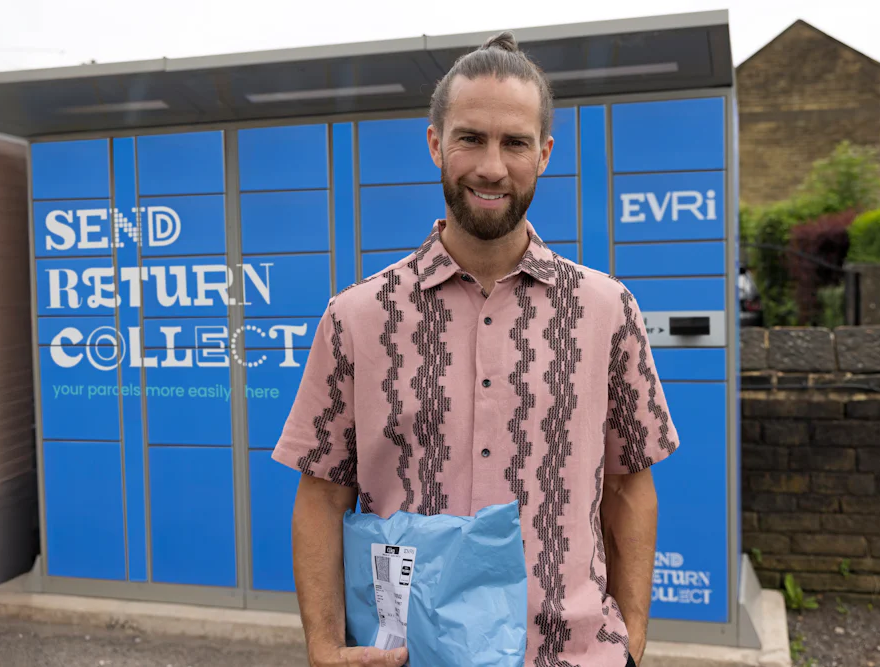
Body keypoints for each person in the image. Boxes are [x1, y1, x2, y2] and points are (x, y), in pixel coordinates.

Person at [271, 30, 680, 667]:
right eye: (471, 138)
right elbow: (322, 492)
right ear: (436, 143)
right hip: (411, 657)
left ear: (544, 153)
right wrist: (324, 647)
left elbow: (630, 483)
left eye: (515, 142)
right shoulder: (356, 317)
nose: (492, 166)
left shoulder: (607, 309)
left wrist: (632, 638)